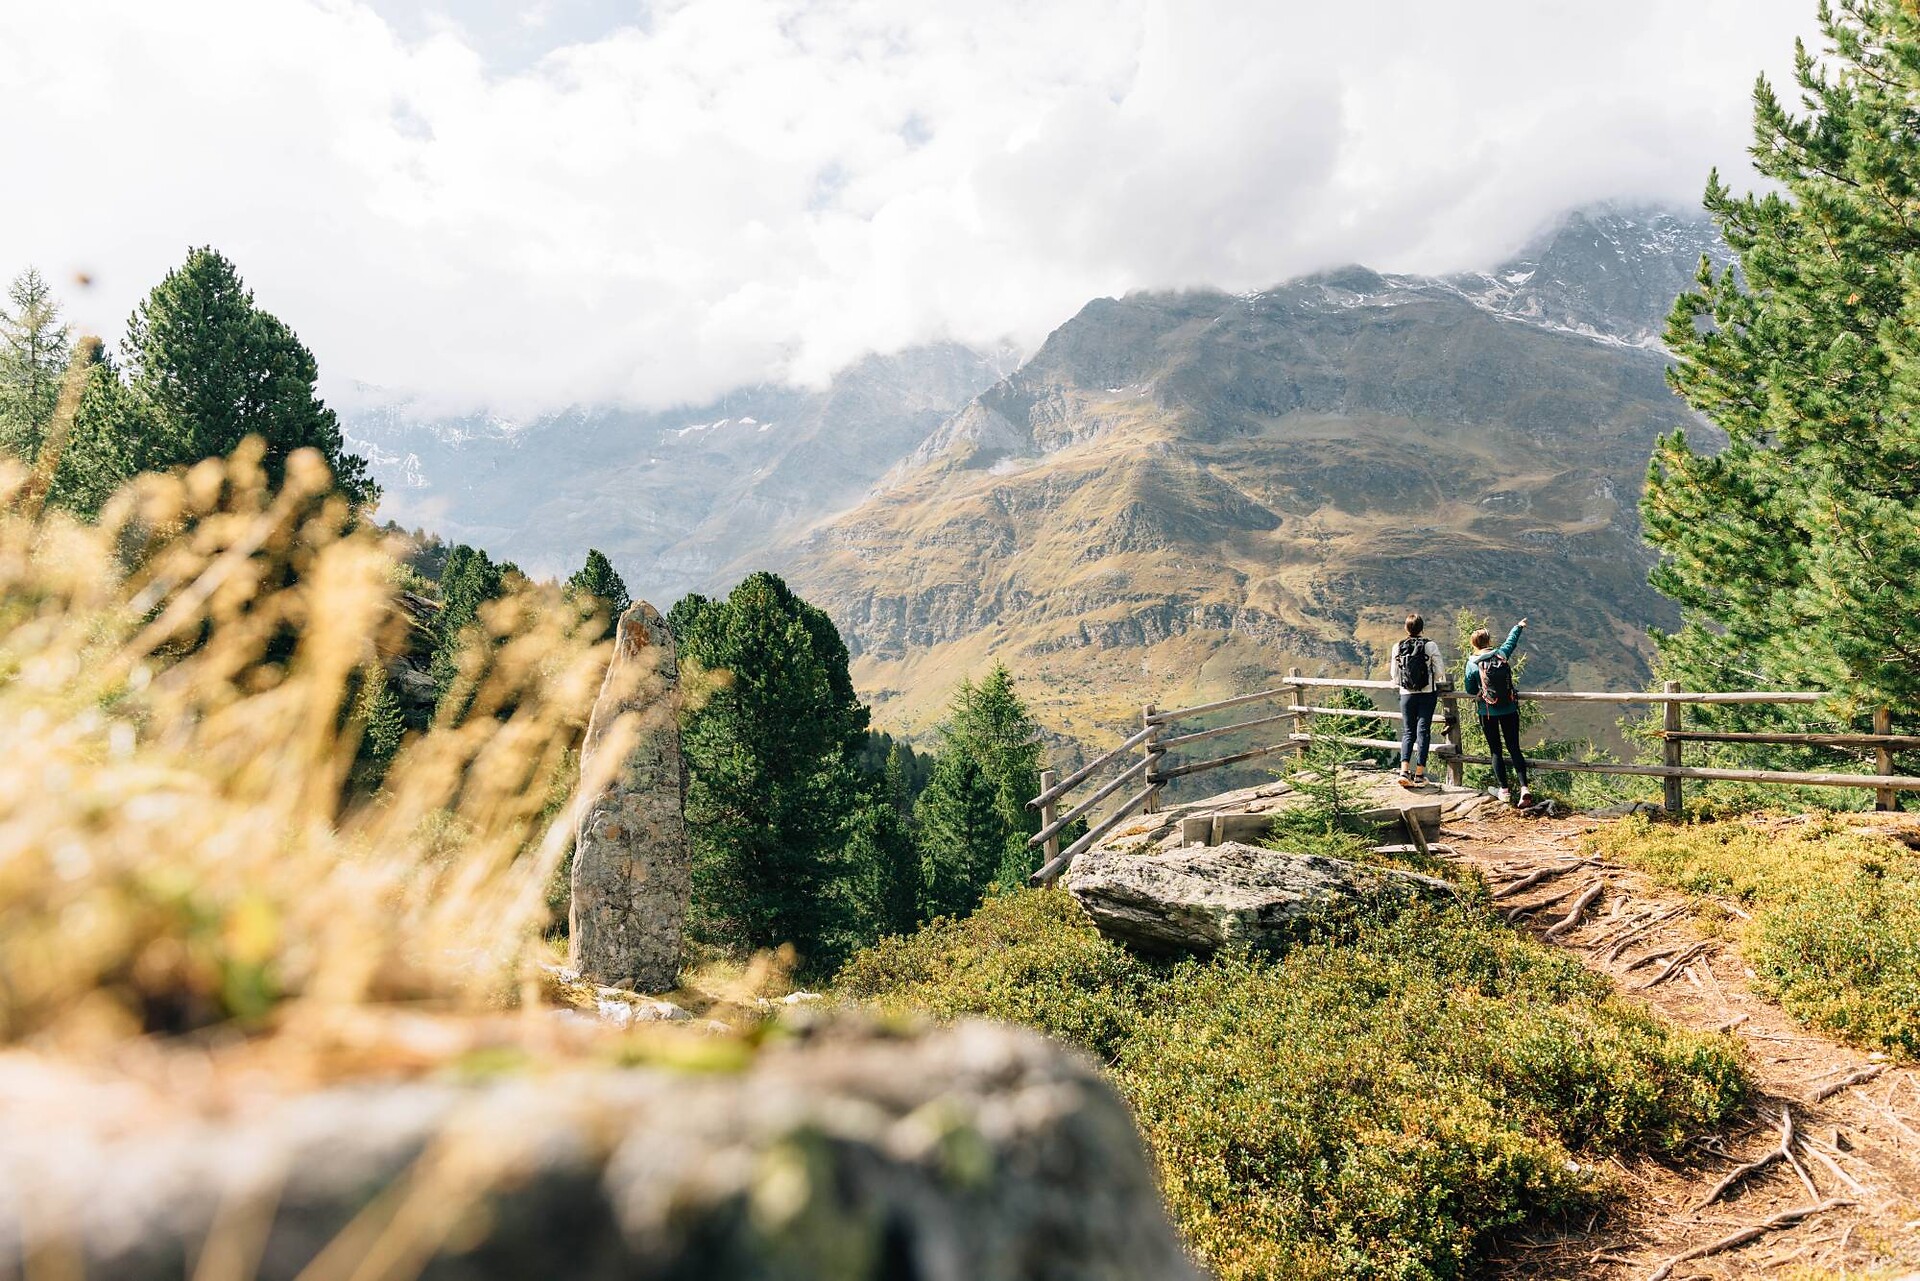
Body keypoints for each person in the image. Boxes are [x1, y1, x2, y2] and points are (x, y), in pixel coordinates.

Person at [1464, 618, 1532, 806]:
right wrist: (1518, 626)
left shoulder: (1472, 664)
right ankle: (1524, 788)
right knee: (1514, 748)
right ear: (1489, 640)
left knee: (1496, 751)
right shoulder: (1501, 654)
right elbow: (1511, 641)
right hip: (1509, 708)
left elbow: (1470, 689)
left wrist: (1479, 690)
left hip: (1487, 711)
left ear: (1474, 644)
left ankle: (1504, 791)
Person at [1389, 612, 1444, 788]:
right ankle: (1419, 774)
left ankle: (1404, 770)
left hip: (1406, 694)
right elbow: (1440, 671)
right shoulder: (1430, 645)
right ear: (1422, 628)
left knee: (1408, 732)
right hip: (1427, 694)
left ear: (1406, 628)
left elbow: (1394, 675)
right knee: (1423, 732)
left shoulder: (1397, 646)